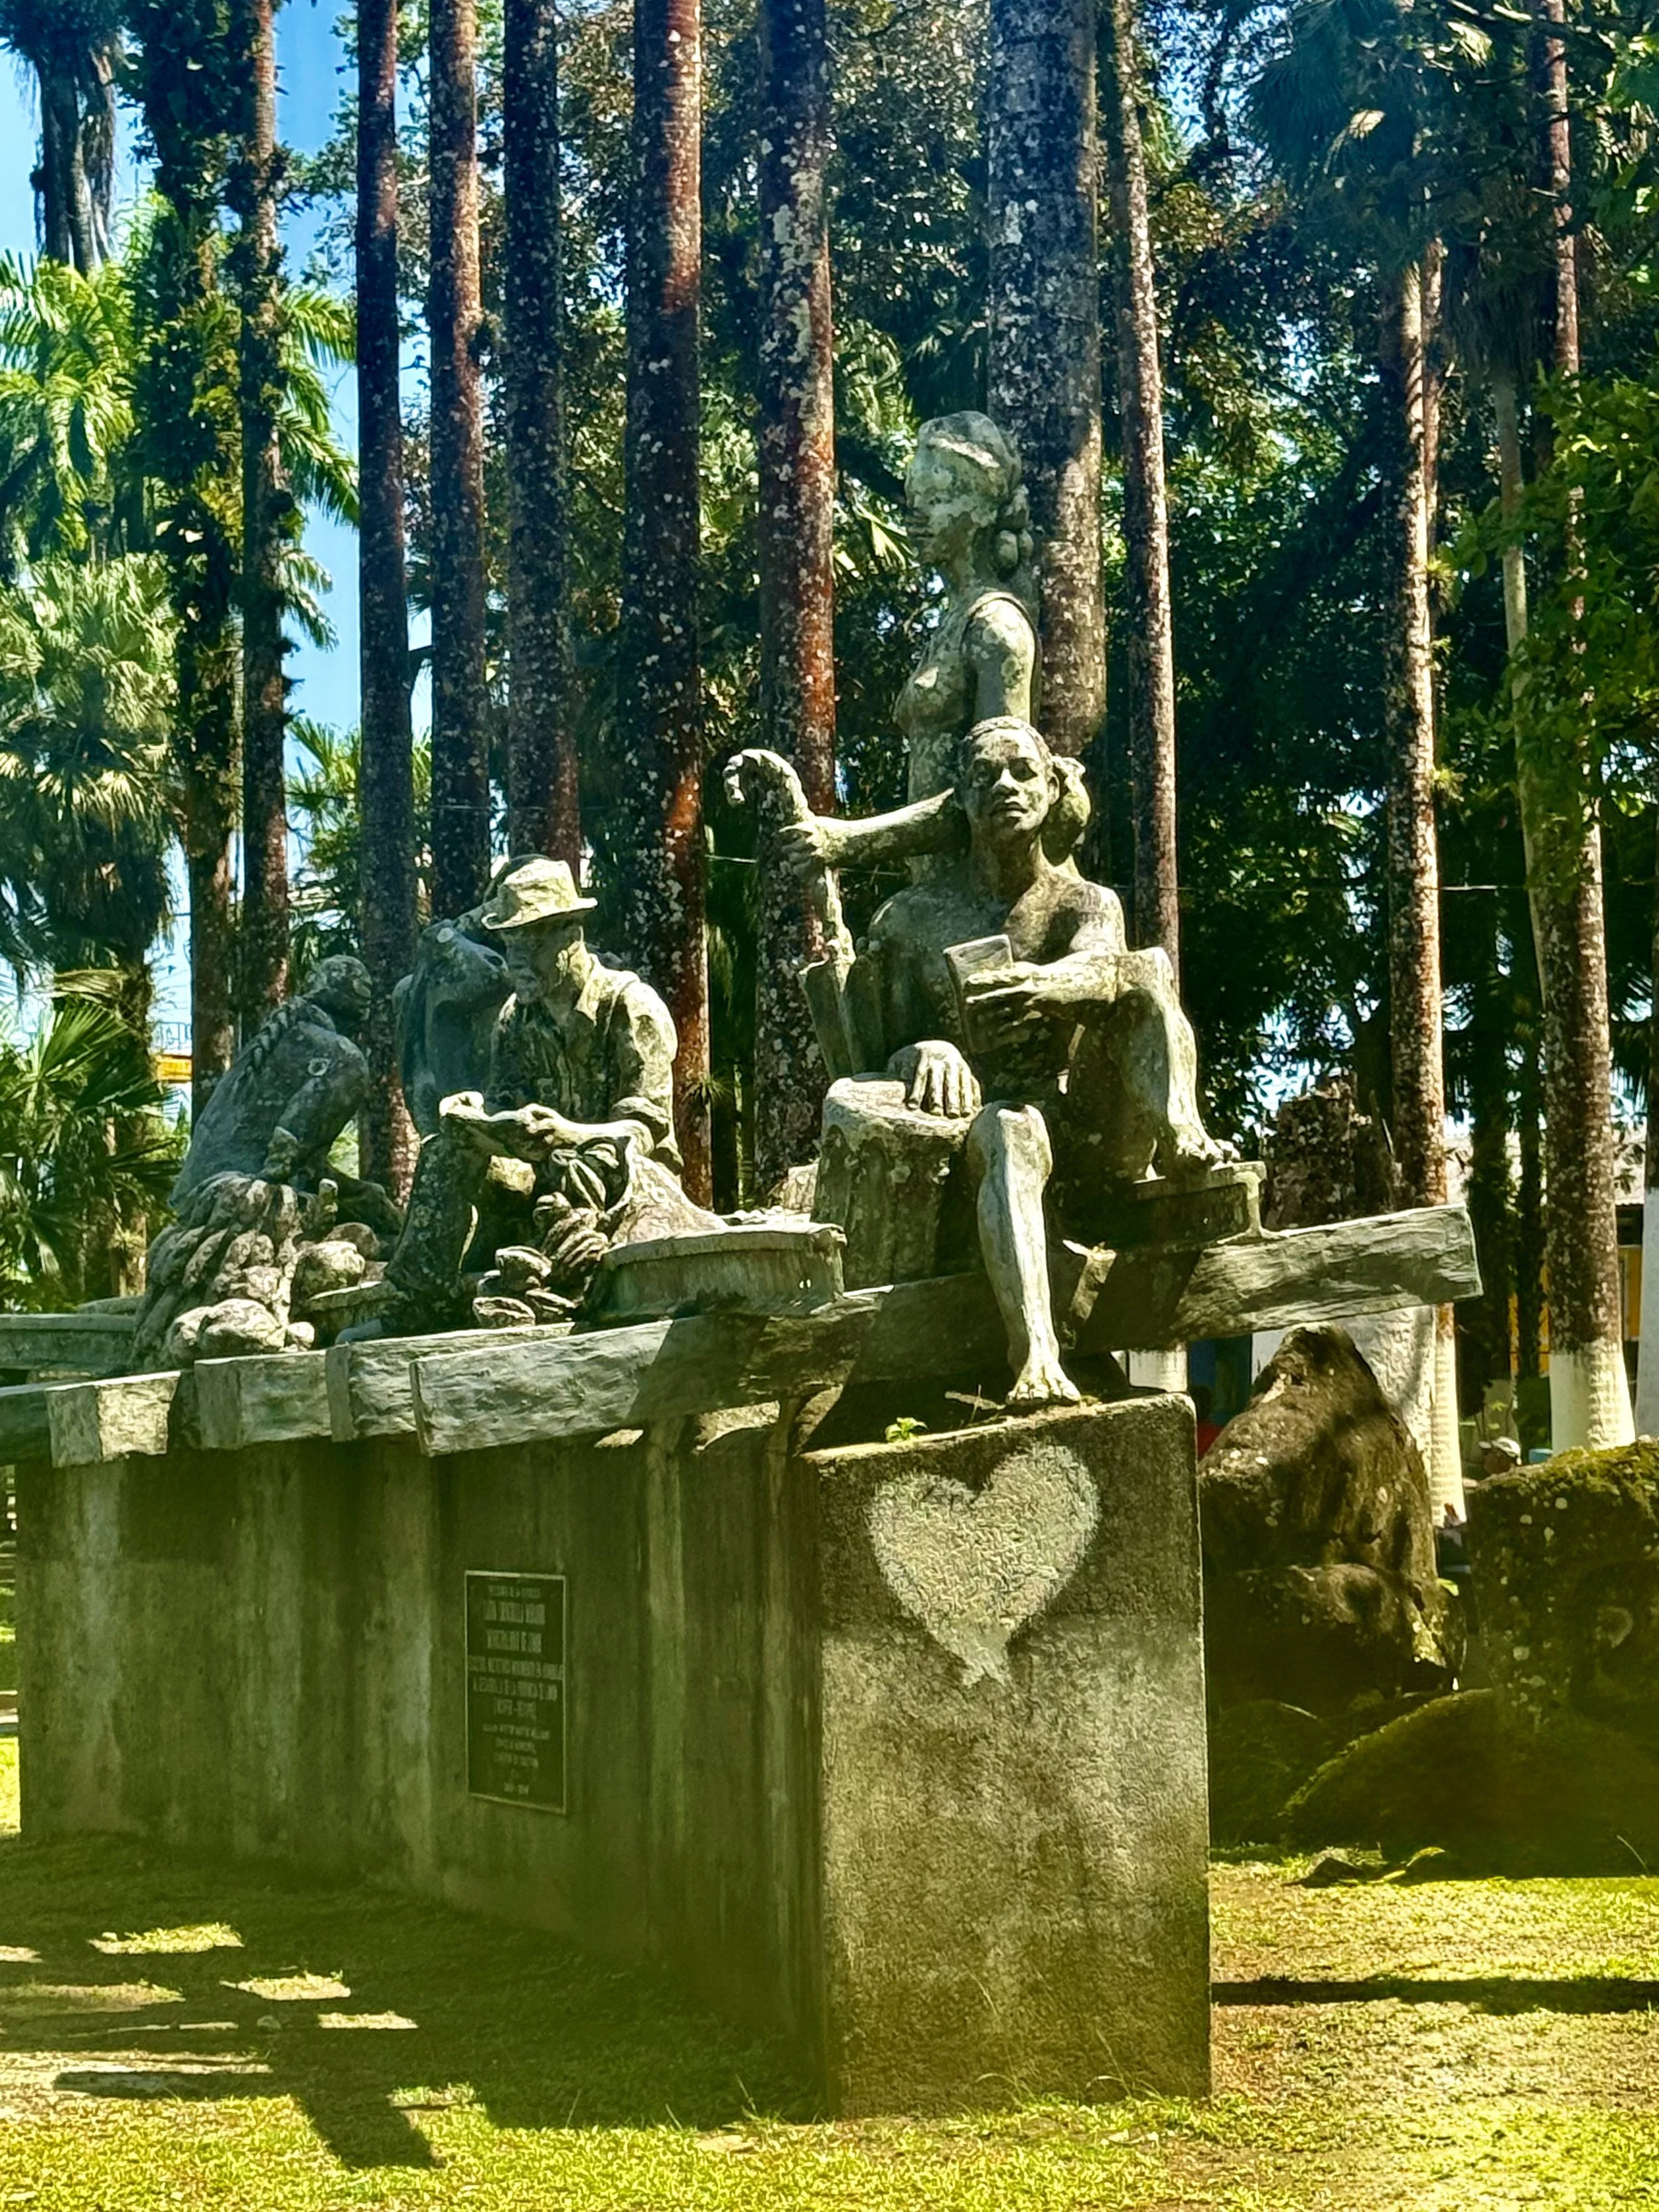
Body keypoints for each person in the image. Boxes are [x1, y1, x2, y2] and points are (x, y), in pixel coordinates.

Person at [845, 715, 1230, 1406]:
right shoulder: (908, 918)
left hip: (1091, 1123)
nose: (1004, 786)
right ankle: (1038, 1358)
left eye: (1022, 771)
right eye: (985, 774)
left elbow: (1110, 970)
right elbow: (867, 1063)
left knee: (1144, 970)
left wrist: (1040, 985)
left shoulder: (1082, 902)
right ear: (959, 798)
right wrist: (922, 1051)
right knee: (1010, 1130)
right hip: (984, 1131)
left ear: (1053, 790)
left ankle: (1181, 1136)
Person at [379, 857, 709, 1329]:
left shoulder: (629, 1007)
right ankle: (417, 1300)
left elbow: (644, 1134)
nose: (516, 957)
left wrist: (567, 1133)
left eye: (530, 940)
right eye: (510, 940)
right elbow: (504, 1107)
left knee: (590, 1169)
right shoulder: (517, 1018)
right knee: (446, 1150)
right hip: (541, 1172)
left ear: (570, 934)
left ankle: (548, 1287)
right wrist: (478, 1117)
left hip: (621, 1177)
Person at [776, 412, 1088, 881]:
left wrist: (848, 841)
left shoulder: (997, 629)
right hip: (935, 884)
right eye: (914, 499)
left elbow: (997, 789)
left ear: (983, 511)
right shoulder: (955, 621)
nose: (916, 514)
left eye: (938, 499)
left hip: (982, 896)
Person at [170, 956, 375, 1208]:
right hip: (236, 1197)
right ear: (358, 1017)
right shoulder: (344, 1058)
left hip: (198, 1194)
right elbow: (281, 1166)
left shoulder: (272, 1043)